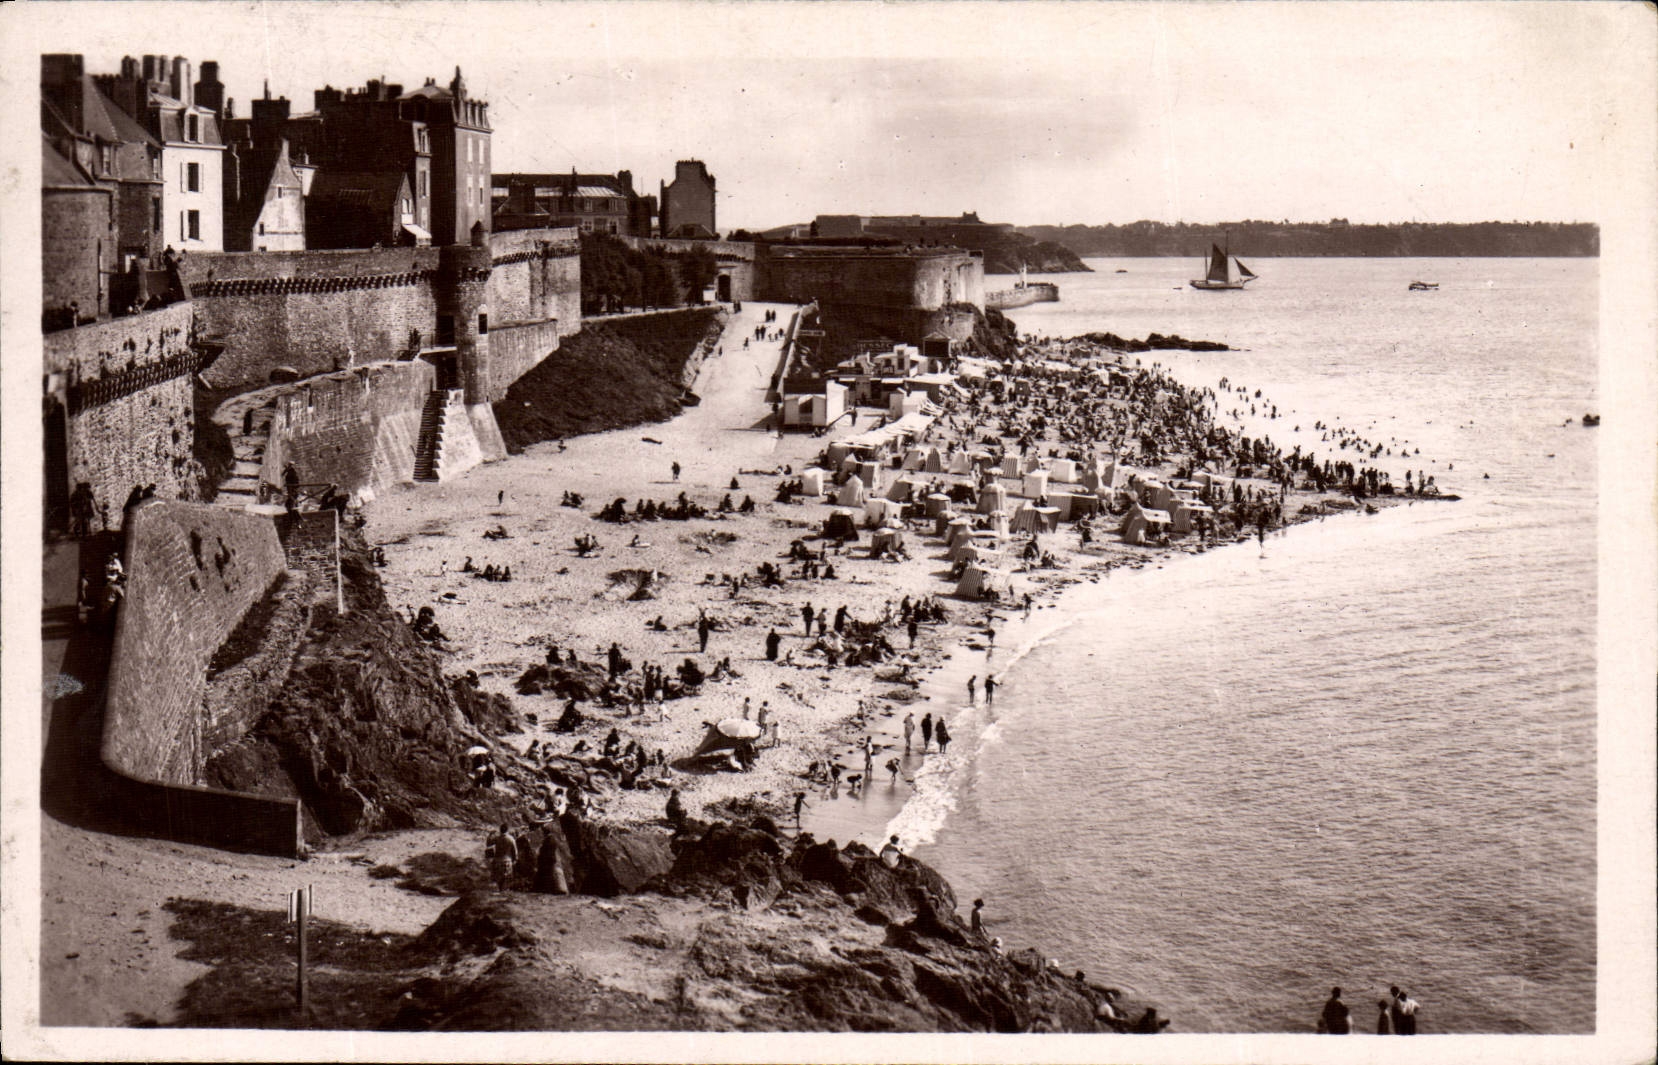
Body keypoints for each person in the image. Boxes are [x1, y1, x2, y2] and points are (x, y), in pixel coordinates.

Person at [485, 824, 517, 890]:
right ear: (507, 830)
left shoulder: (497, 838)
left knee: (498, 880)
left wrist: (490, 835)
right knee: (506, 879)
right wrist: (515, 860)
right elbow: (515, 851)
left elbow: (488, 844)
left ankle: (500, 890)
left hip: (497, 861)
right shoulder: (511, 839)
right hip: (507, 860)